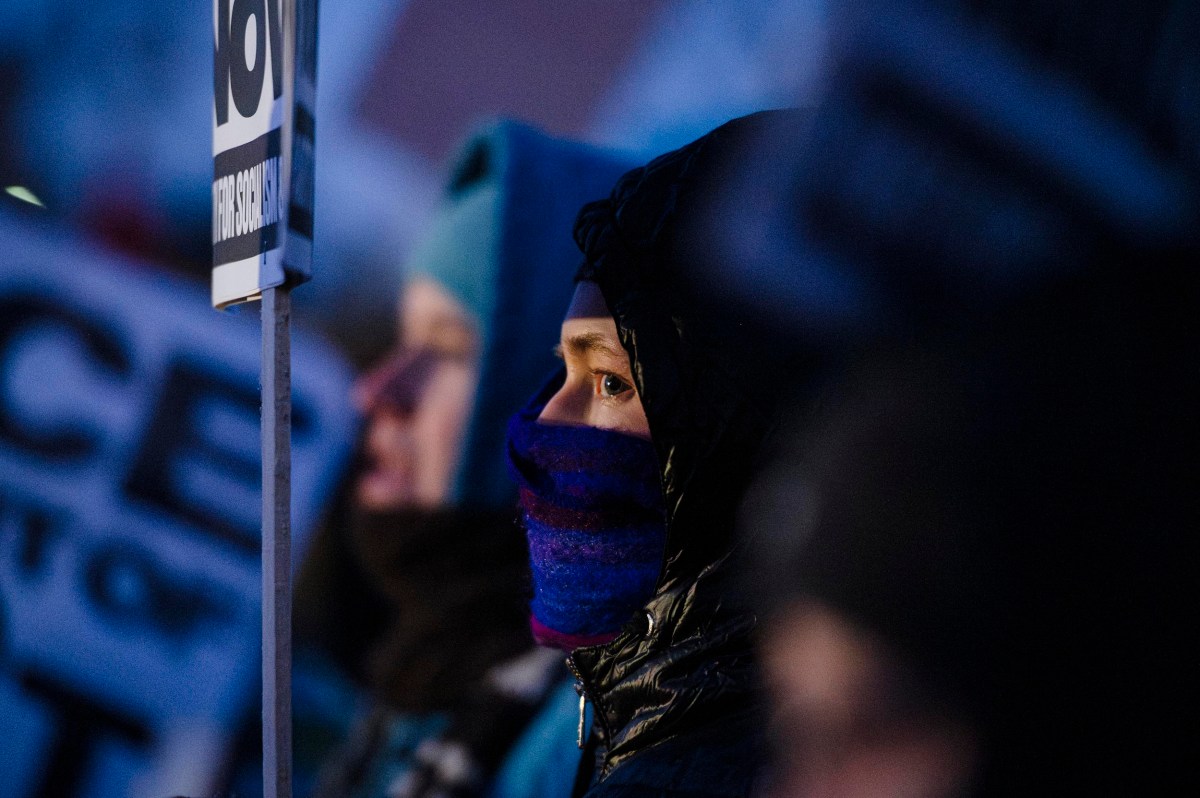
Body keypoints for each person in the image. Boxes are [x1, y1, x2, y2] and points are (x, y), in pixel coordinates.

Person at [293, 119, 635, 798]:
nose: (377, 391)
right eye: (403, 339)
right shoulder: (422, 670)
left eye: (447, 348)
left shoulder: (600, 736)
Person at [505, 113, 809, 797]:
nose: (544, 420)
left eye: (611, 381)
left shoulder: (745, 764)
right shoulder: (613, 711)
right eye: (564, 370)